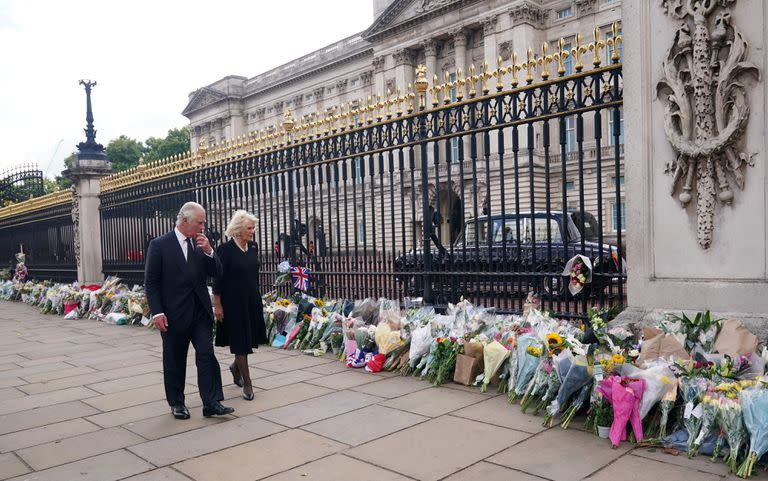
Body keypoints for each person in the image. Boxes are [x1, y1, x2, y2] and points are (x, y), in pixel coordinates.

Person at [144, 201, 234, 420]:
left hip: (200, 312)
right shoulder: (160, 245)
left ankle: (211, 402)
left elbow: (218, 272)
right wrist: (157, 312)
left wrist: (210, 251)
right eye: (199, 222)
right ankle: (177, 403)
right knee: (174, 359)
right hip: (173, 314)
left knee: (206, 355)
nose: (203, 227)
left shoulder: (200, 244)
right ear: (185, 220)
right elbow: (151, 282)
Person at [213, 210, 267, 401]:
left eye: (253, 227)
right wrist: (217, 304)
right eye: (249, 228)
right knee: (240, 342)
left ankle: (235, 368)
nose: (252, 231)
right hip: (232, 302)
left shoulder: (253, 246)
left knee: (248, 338)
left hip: (251, 299)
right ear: (237, 229)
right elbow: (217, 279)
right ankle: (248, 383)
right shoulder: (224, 250)